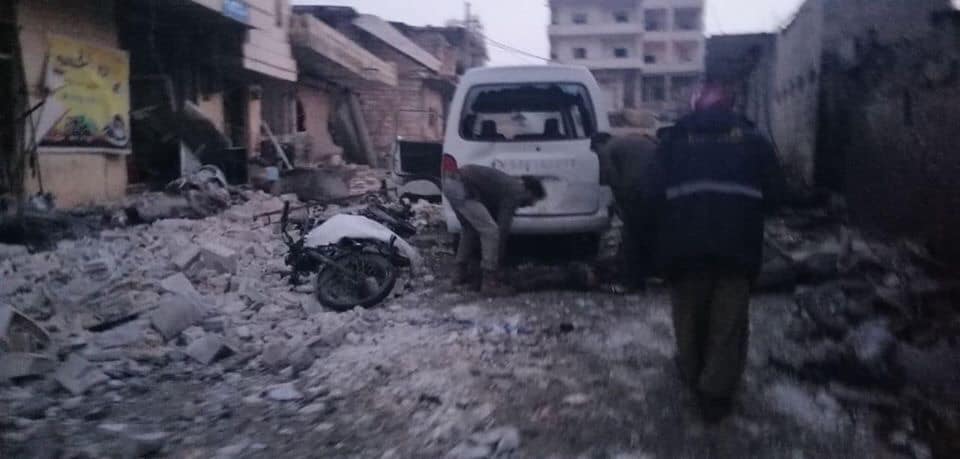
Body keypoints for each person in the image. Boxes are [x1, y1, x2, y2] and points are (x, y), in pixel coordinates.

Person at [655, 80, 783, 422]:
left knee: (688, 317)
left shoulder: (673, 139)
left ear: (696, 106)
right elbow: (777, 194)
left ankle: (693, 373)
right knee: (728, 322)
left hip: (683, 247)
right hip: (737, 246)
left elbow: (651, 192)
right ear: (731, 106)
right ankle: (714, 394)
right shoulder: (754, 140)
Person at [443, 165, 547, 293]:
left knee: (469, 229)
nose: (531, 205)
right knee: (491, 231)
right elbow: (502, 231)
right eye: (534, 200)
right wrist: (497, 263)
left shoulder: (508, 186)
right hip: (462, 187)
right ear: (529, 192)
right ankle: (489, 282)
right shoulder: (515, 192)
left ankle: (458, 274)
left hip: (450, 184)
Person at [591, 129, 662, 289]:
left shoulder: (606, 149)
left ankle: (633, 280)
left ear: (597, 145)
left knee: (632, 235)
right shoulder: (629, 140)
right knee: (653, 231)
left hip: (638, 189)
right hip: (660, 186)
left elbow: (612, 179)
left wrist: (620, 206)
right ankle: (657, 273)